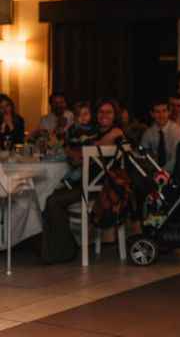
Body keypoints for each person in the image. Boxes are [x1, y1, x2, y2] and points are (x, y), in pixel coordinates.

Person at [40, 97, 124, 264]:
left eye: (109, 112)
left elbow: (91, 152)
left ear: (115, 115)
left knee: (53, 201)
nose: (104, 115)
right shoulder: (93, 130)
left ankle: (65, 249)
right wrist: (74, 155)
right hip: (85, 182)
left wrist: (71, 152)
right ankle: (58, 248)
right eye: (101, 112)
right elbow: (82, 156)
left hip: (100, 188)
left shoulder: (116, 132)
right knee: (48, 196)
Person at [140, 98, 180, 174]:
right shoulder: (149, 133)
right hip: (154, 172)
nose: (161, 115)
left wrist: (161, 173)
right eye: (157, 112)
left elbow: (175, 159)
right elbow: (142, 154)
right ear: (152, 114)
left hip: (176, 172)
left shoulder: (178, 131)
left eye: (164, 111)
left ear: (169, 112)